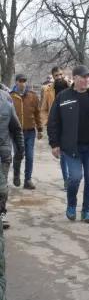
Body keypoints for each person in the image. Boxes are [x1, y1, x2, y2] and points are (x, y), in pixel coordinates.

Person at [47, 64, 89, 223]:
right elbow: (53, 122)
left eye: (88, 77)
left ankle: (87, 211)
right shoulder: (63, 97)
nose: (86, 79)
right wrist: (54, 143)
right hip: (71, 147)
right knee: (75, 177)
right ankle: (71, 205)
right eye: (83, 77)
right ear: (75, 78)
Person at [11, 73, 43, 189]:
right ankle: (16, 175)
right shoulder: (11, 96)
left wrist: (40, 129)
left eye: (24, 81)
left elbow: (37, 113)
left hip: (30, 131)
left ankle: (27, 180)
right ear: (16, 82)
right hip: (16, 132)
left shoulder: (32, 96)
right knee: (19, 155)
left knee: (30, 156)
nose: (22, 83)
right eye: (20, 81)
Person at [41, 66, 70, 190]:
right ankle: (66, 180)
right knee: (63, 155)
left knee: (73, 153)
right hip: (57, 126)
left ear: (63, 75)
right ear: (52, 77)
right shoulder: (48, 91)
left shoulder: (71, 88)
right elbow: (43, 109)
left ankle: (73, 177)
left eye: (60, 74)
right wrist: (47, 121)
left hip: (71, 124)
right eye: (56, 75)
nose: (58, 77)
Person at [0, 97, 24, 229]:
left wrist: (20, 149)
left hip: (3, 153)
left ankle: (1, 213)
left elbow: (16, 128)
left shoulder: (6, 104)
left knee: (2, 188)